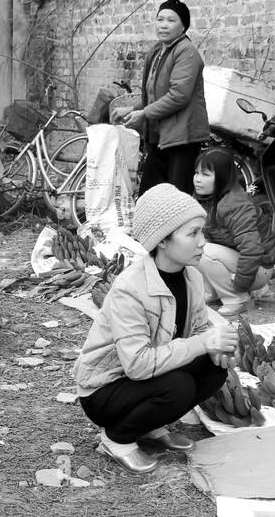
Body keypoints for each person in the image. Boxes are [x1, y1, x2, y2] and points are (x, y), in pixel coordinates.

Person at [73, 184, 233, 474]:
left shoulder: (192, 278)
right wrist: (203, 343)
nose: (202, 243)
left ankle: (150, 426)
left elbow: (197, 332)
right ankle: (116, 439)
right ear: (162, 240)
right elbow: (136, 365)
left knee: (213, 370)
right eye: (192, 233)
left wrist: (216, 346)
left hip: (146, 378)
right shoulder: (130, 288)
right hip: (105, 389)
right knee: (179, 386)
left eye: (202, 232)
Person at [111, 0, 209, 196]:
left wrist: (144, 114)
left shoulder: (186, 52)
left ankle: (183, 228)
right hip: (160, 136)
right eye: (160, 19)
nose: (163, 25)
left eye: (171, 20)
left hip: (183, 138)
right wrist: (132, 109)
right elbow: (154, 95)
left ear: (183, 26)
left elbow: (178, 96)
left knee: (176, 198)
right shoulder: (158, 50)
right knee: (149, 195)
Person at [193, 148, 274, 317]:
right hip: (240, 261)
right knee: (191, 244)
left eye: (205, 174)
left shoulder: (235, 204)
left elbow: (252, 249)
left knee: (203, 251)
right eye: (197, 173)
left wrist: (241, 283)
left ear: (222, 177)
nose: (197, 179)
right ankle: (213, 293)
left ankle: (236, 298)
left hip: (258, 268)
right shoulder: (210, 199)